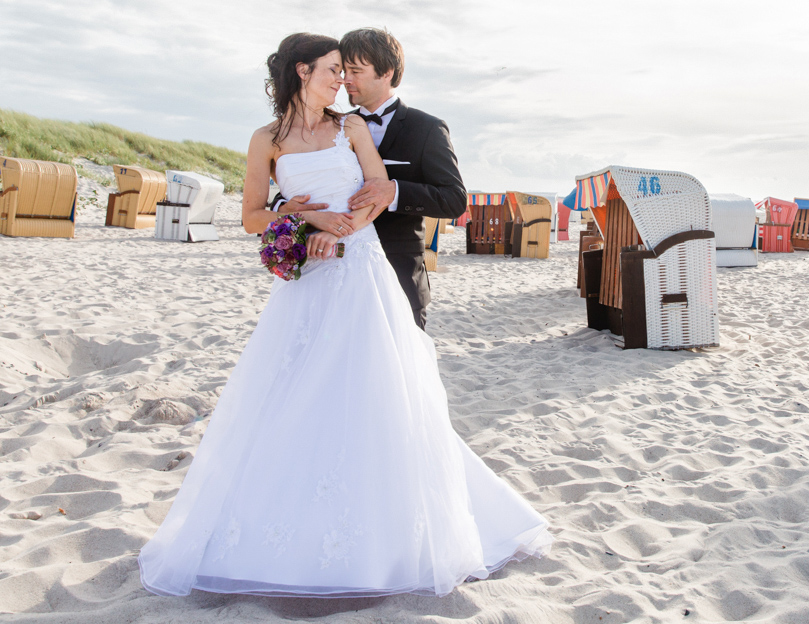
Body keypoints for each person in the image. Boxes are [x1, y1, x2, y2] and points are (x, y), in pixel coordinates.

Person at [138, 33, 551, 598]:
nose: (343, 81)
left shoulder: (352, 129)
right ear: (302, 72)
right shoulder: (266, 140)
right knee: (294, 395)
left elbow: (375, 193)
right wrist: (300, 223)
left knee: (379, 393)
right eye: (335, 70)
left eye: (349, 71)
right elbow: (252, 217)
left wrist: (341, 230)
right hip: (307, 286)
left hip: (363, 272)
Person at [272, 28, 465, 330]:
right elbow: (300, 178)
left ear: (386, 72)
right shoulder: (335, 124)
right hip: (326, 271)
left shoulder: (426, 128)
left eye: (356, 71)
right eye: (343, 70)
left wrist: (395, 192)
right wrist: (286, 205)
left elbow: (454, 200)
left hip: (397, 274)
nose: (345, 79)